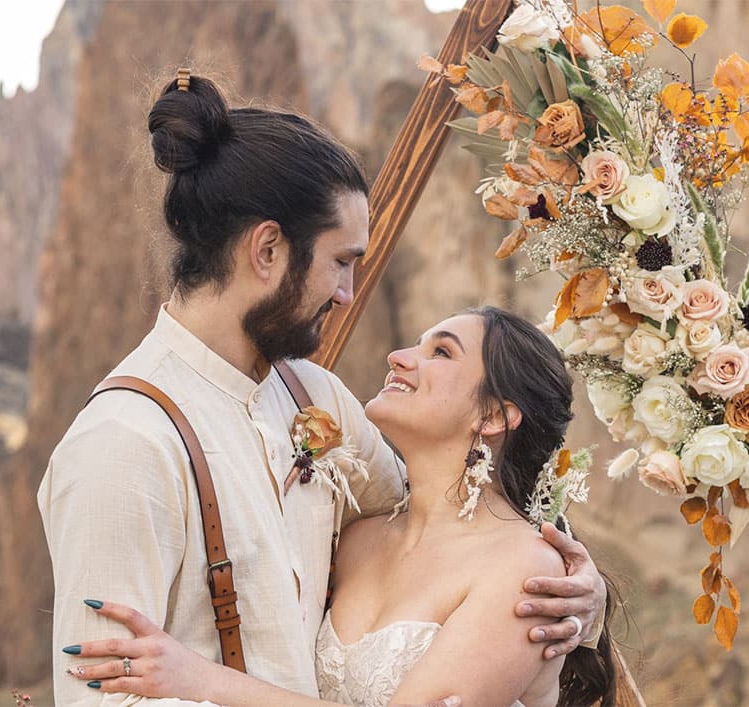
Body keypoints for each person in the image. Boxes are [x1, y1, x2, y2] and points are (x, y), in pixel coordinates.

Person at [41, 71, 608, 706]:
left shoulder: (315, 397)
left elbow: (448, 519)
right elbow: (101, 699)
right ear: (267, 250)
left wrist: (579, 594)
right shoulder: (122, 446)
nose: (346, 294)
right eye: (341, 262)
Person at [64, 308, 619, 706]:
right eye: (418, 344)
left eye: (441, 352)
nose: (399, 357)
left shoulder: (528, 573)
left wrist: (199, 679)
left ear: (495, 417)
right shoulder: (356, 540)